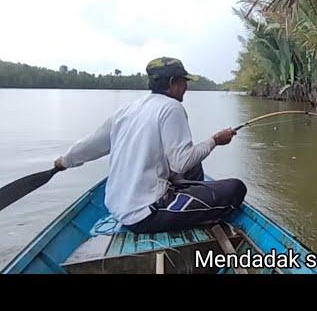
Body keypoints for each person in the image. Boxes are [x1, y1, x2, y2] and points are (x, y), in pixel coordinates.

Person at [53, 57, 247, 233]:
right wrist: (215, 140)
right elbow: (181, 163)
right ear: (173, 83)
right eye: (184, 81)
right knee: (235, 189)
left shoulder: (128, 109)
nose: (186, 86)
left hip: (117, 206)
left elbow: (90, 145)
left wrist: (65, 161)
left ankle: (182, 196)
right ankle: (193, 211)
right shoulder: (172, 107)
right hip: (145, 215)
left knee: (196, 165)